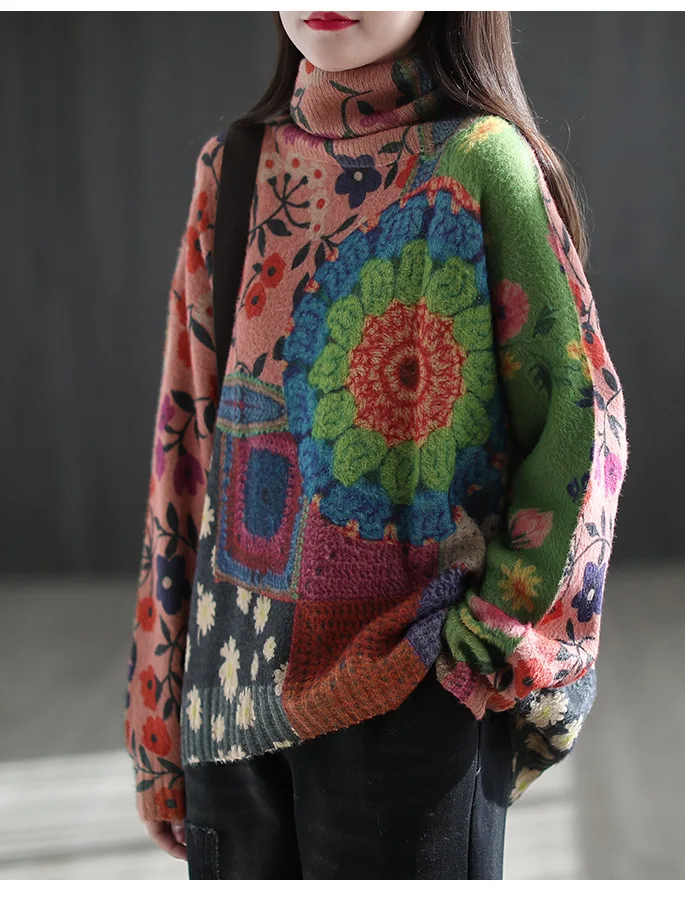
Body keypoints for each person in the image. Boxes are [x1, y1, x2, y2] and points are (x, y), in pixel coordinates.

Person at [124, 10, 628, 880]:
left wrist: (492, 644)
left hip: (411, 699)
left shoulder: (481, 162)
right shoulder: (233, 168)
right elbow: (186, 451)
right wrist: (159, 714)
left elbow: (582, 429)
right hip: (227, 700)